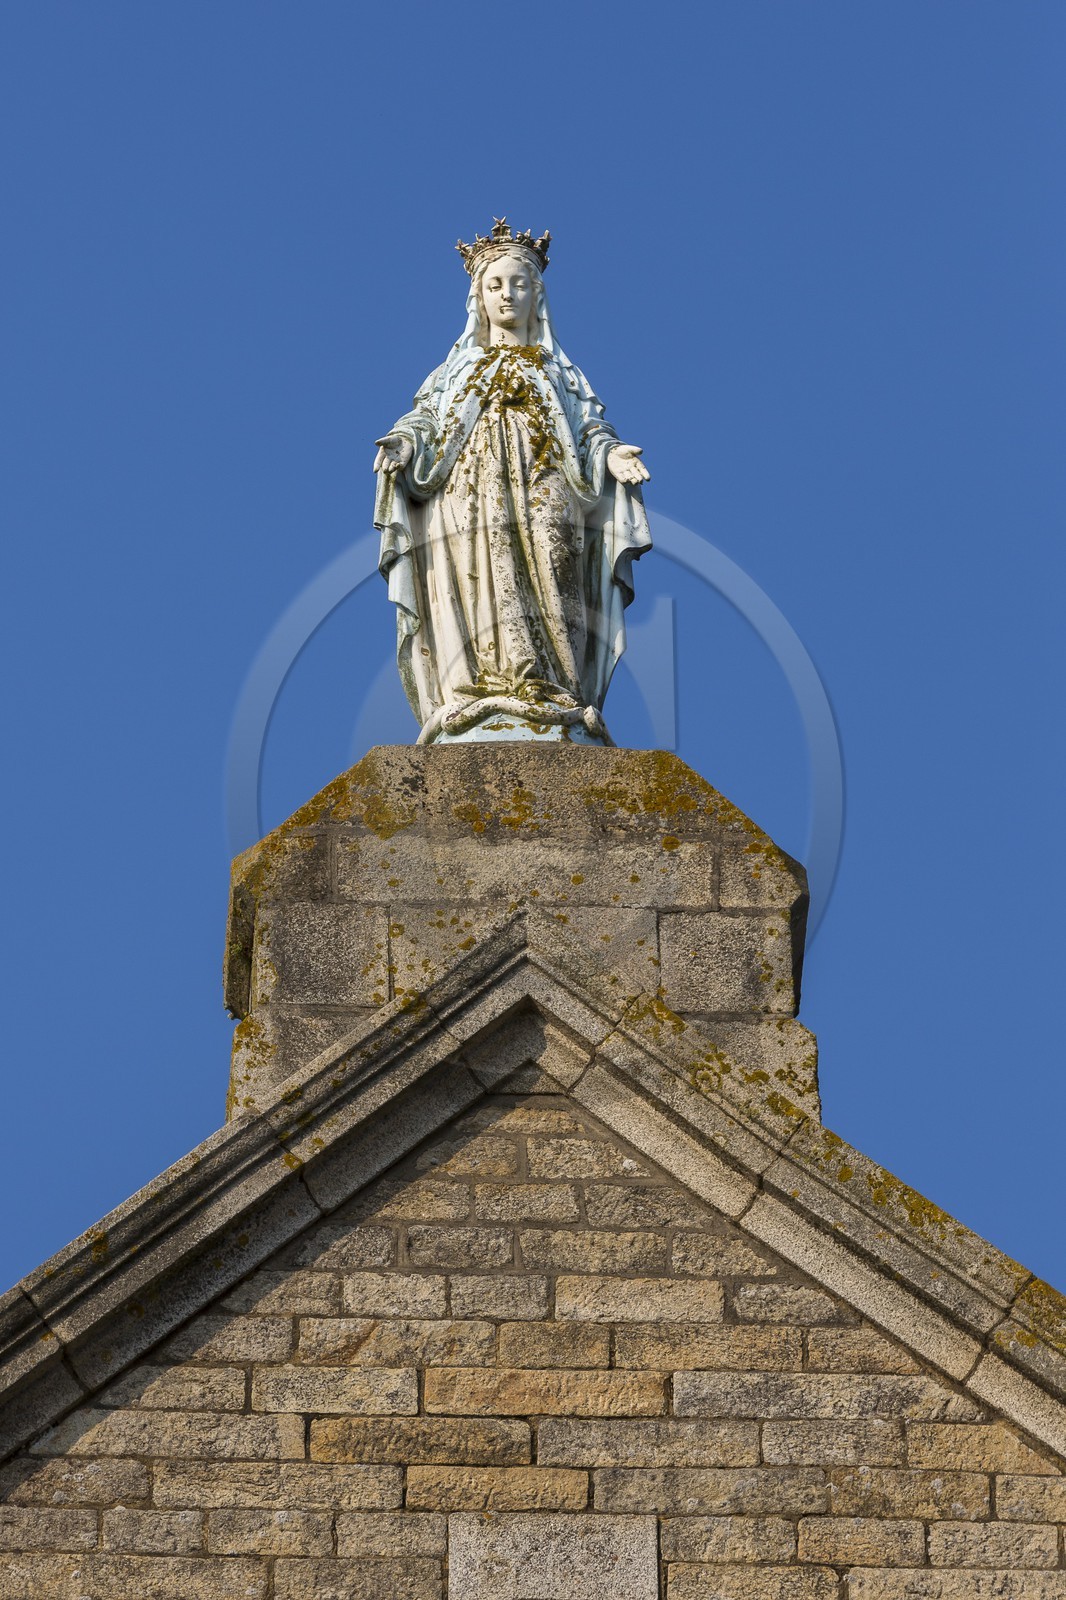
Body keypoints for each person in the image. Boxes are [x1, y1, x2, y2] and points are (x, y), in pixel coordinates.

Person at [373, 219, 651, 745]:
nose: (507, 295)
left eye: (518, 284)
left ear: (537, 296)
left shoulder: (560, 372)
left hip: (548, 482)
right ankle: (478, 689)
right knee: (482, 570)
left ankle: (555, 687)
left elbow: (588, 426)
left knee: (554, 567)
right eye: (494, 285)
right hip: (471, 489)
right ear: (477, 297)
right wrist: (403, 444)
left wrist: (611, 454)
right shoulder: (455, 371)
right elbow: (426, 420)